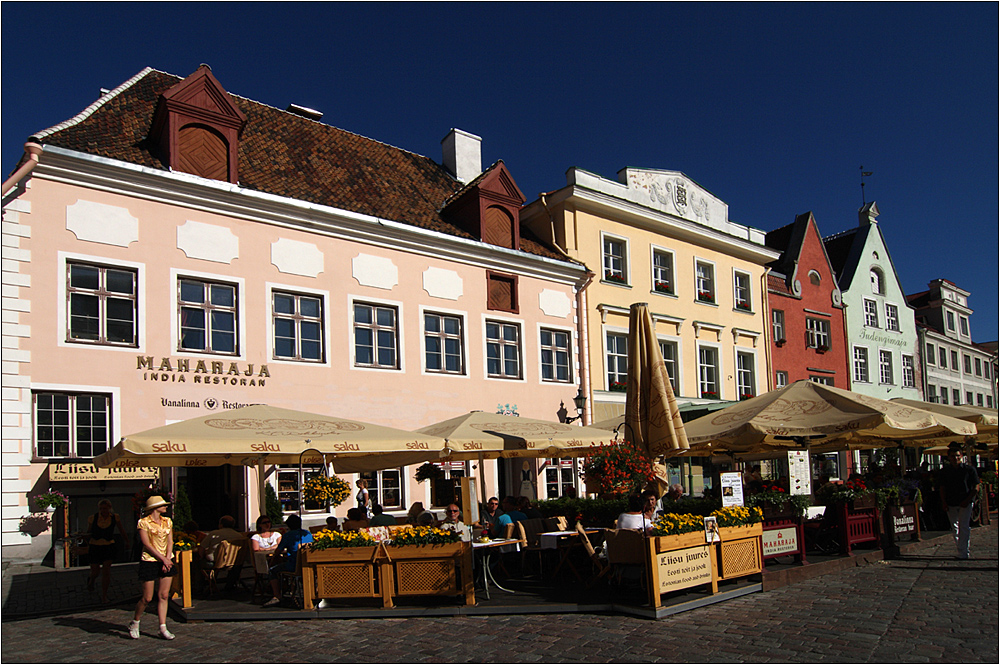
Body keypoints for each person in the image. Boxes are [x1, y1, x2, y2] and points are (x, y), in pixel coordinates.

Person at [128, 495, 176, 640]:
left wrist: (167, 558)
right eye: (163, 505)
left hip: (166, 559)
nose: (166, 507)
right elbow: (147, 544)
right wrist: (162, 559)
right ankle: (135, 621)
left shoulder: (167, 521)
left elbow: (170, 541)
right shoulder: (144, 523)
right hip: (150, 560)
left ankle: (162, 626)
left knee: (164, 595)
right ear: (155, 507)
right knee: (147, 598)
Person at [939, 446, 980, 560]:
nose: (955, 458)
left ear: (961, 456)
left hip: (965, 502)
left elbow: (976, 486)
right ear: (949, 458)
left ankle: (963, 552)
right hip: (951, 501)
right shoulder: (945, 471)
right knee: (955, 527)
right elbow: (942, 487)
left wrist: (968, 500)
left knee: (964, 526)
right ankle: (960, 548)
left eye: (957, 455)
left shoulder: (969, 470)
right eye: (953, 456)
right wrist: (944, 502)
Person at [85, 499, 130, 604]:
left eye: (105, 508)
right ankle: (91, 580)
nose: (103, 510)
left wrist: (126, 541)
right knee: (95, 571)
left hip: (108, 546)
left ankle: (104, 595)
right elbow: (89, 532)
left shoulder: (115, 517)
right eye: (101, 508)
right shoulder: (93, 518)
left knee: (106, 571)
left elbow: (121, 530)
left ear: (109, 508)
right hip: (95, 546)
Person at [198, 515, 245, 592]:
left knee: (198, 564)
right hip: (234, 562)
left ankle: (200, 587)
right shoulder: (239, 535)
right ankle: (229, 585)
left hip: (216, 562)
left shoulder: (214, 534)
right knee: (235, 567)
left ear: (221, 524)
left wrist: (201, 556)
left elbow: (202, 547)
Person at [251, 515, 283, 607]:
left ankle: (274, 585)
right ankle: (273, 585)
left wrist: (265, 549)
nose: (267, 524)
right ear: (260, 525)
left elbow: (279, 546)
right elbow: (256, 549)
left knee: (277, 559)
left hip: (275, 558)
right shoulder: (256, 537)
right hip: (262, 561)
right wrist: (272, 548)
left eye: (268, 522)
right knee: (274, 561)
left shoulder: (277, 534)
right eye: (264, 523)